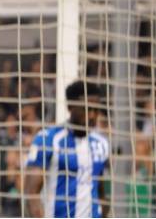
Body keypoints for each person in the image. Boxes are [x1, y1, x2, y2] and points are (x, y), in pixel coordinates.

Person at [25, 80, 109, 218]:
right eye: (86, 109)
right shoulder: (48, 140)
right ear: (70, 107)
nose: (92, 115)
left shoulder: (101, 144)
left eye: (96, 110)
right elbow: (31, 194)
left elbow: (100, 192)